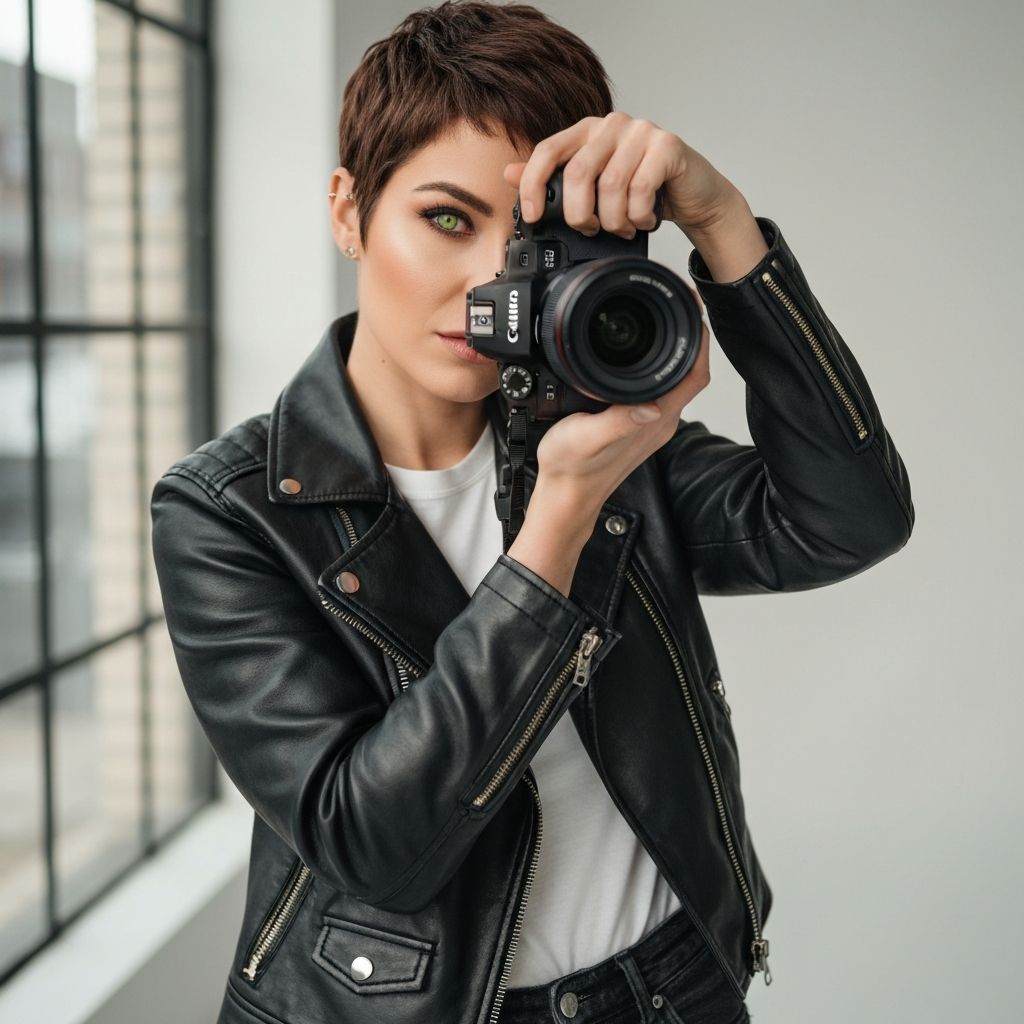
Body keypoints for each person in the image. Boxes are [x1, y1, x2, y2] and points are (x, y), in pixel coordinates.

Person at [150, 3, 915, 1023]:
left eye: (530, 239)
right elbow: (375, 846)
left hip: (673, 985)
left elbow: (846, 520)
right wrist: (559, 519)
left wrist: (724, 224)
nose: (489, 281)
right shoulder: (227, 512)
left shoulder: (602, 435)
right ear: (348, 212)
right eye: (447, 219)